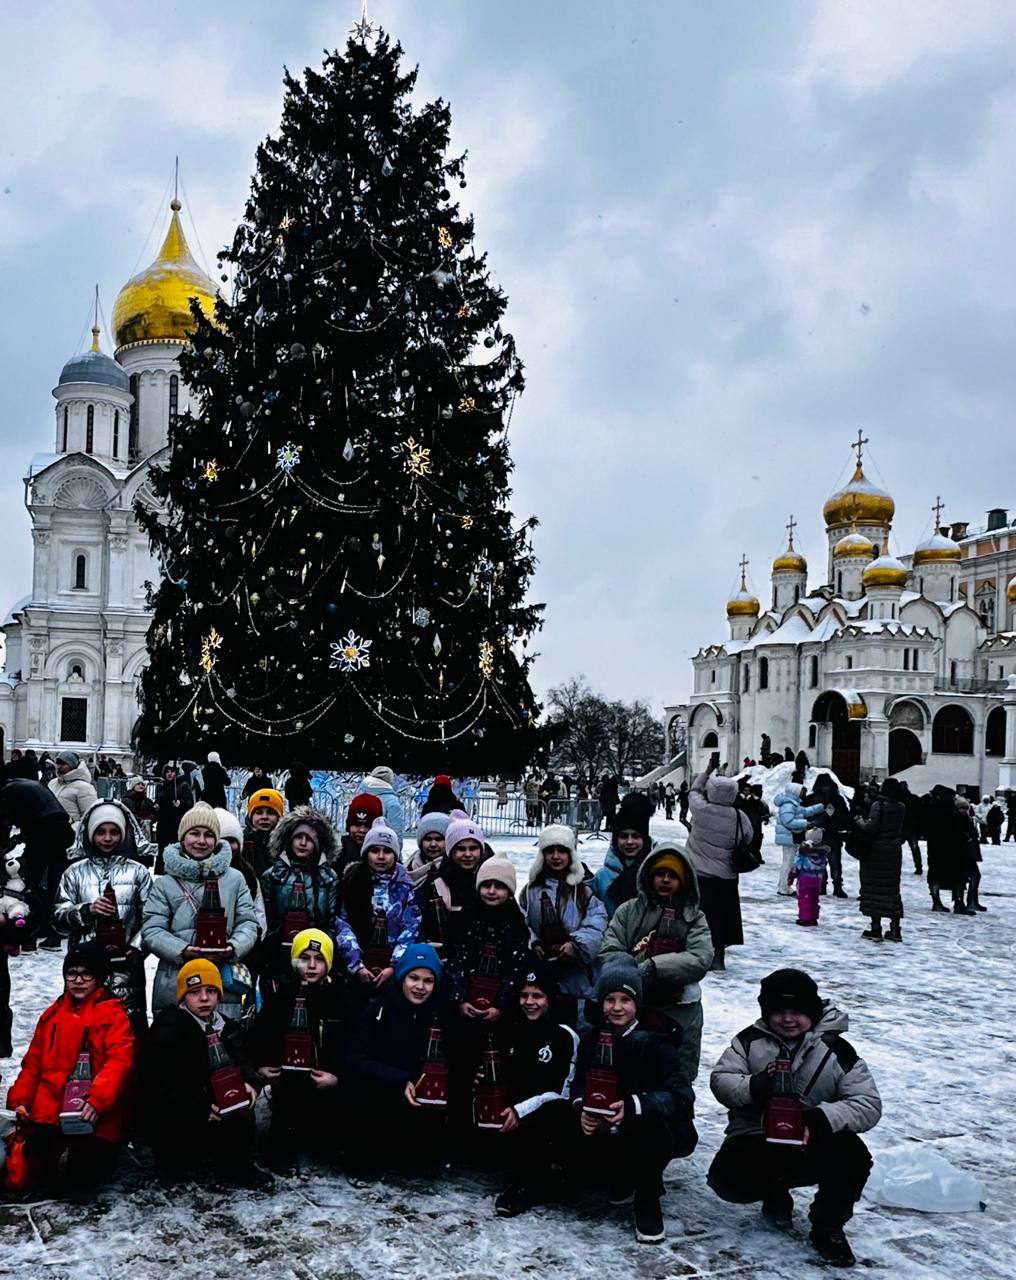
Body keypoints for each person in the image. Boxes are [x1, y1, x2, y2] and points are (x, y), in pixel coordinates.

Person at [707, 968, 881, 1268]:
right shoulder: (748, 1041)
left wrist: (819, 1120)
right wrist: (757, 1084)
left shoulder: (836, 1050)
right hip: (758, 1133)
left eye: (797, 1011)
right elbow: (722, 1080)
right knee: (727, 1180)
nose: (788, 1019)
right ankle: (774, 1192)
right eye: (779, 1011)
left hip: (815, 1138)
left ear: (812, 1011)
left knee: (853, 1156)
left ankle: (828, 1226)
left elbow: (867, 1103)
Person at [573, 958, 698, 1244]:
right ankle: (620, 1178)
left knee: (649, 1128)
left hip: (648, 1124)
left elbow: (681, 1095)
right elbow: (579, 1080)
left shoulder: (657, 1040)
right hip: (605, 1121)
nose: (617, 1007)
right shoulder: (593, 1038)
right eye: (610, 1000)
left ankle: (647, 1196)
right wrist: (581, 1106)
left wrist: (634, 1105)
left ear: (637, 1003)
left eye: (625, 1000)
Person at [7, 940, 134, 1198]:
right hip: (50, 1110)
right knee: (33, 1174)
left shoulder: (113, 1015)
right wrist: (20, 1100)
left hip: (93, 1112)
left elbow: (119, 1062)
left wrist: (97, 1100)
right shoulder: (52, 1015)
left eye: (86, 974)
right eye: (72, 973)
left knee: (80, 1182)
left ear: (99, 978)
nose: (78, 980)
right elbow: (32, 1064)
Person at [136, 957, 269, 1189]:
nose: (204, 998)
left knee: (241, 1109)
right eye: (195, 992)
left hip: (218, 1109)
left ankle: (239, 1166)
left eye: (211, 991)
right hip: (181, 1113)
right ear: (183, 997)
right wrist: (199, 1107)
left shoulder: (227, 1027)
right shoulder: (167, 1030)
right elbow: (157, 1084)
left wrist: (250, 1084)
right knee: (177, 1154)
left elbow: (245, 1061)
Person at [599, 843, 712, 1079]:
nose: (666, 880)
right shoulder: (628, 911)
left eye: (673, 875)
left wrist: (655, 966)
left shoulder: (694, 917)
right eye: (660, 873)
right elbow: (610, 951)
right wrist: (633, 973)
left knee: (676, 1076)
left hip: (679, 1009)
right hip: (633, 1004)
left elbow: (700, 958)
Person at [141, 803, 259, 1021]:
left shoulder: (235, 879)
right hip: (175, 979)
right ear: (182, 837)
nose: (201, 841)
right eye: (194, 833)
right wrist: (183, 949)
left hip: (222, 979)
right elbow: (152, 929)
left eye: (209, 835)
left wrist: (233, 947)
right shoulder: (165, 884)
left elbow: (249, 923)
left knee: (223, 1035)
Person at [343, 942, 447, 1182]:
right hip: (382, 1093)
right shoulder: (379, 1009)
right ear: (402, 977)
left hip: (421, 1099)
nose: (420, 987)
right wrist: (399, 1080)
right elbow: (356, 1058)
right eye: (414, 978)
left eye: (428, 980)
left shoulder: (440, 1014)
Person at [248, 929, 344, 1174]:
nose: (311, 965)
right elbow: (261, 1035)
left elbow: (350, 1043)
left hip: (326, 1078)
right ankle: (281, 1151)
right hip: (288, 1078)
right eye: (304, 958)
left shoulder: (340, 996)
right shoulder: (281, 996)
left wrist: (337, 1075)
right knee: (286, 1111)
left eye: (319, 959)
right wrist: (261, 1066)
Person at [53, 800, 153, 1035]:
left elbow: (151, 919)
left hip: (126, 972)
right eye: (101, 832)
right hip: (83, 973)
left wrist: (135, 950)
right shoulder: (74, 873)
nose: (107, 838)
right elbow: (58, 919)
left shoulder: (138, 872)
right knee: (83, 1036)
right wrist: (86, 911)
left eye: (114, 832)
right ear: (90, 834)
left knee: (126, 1035)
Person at [489, 959, 579, 1217]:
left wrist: (520, 1110)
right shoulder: (512, 1028)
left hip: (543, 1114)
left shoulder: (563, 1036)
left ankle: (530, 1185)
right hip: (512, 1111)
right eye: (524, 995)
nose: (530, 1002)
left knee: (553, 1114)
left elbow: (560, 1093)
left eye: (537, 996)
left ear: (550, 998)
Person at [445, 856, 530, 1128]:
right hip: (466, 1010)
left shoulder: (516, 923)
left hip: (500, 1014)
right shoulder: (466, 917)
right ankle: (459, 1124)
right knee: (462, 1070)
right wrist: (459, 999)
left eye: (500, 886)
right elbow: (456, 961)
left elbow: (516, 969)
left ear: (510, 890)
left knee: (496, 1071)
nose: (492, 891)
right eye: (487, 885)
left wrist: (502, 1005)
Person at [519, 824, 606, 1007]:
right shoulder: (530, 891)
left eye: (562, 851)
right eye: (550, 851)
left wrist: (576, 945)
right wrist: (533, 943)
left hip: (577, 977)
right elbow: (521, 923)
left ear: (571, 854)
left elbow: (596, 924)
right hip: (542, 972)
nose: (556, 856)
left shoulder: (584, 891)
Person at [335, 817, 420, 993]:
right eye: (375, 850)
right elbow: (342, 924)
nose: (381, 857)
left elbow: (411, 928)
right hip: (357, 967)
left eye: (387, 851)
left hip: (393, 970)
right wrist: (356, 964)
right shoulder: (352, 882)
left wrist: (395, 965)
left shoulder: (405, 886)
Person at [686, 757, 754, 971]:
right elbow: (748, 837)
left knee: (697, 914)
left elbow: (694, 791)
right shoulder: (739, 817)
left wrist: (707, 771)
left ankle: (696, 951)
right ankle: (718, 955)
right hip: (726, 876)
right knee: (721, 917)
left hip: (698, 873)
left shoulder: (700, 809)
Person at [260, 807, 340, 989]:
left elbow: (332, 921)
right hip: (279, 956)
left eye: (309, 839)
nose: (303, 843)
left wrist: (322, 952)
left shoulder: (328, 878)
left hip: (316, 956)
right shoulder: (273, 876)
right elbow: (265, 920)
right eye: (298, 837)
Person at [0, 775, 75, 951]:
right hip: (60, 831)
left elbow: (6, 823)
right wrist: (20, 838)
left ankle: (29, 934)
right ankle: (51, 930)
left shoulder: (6, 793)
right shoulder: (23, 784)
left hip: (44, 833)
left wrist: (7, 844)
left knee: (31, 883)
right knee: (55, 883)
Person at [415, 810, 489, 949]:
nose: (468, 854)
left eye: (473, 848)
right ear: (450, 851)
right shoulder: (436, 883)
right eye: (461, 849)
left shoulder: (492, 879)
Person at [851, 778, 906, 941]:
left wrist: (860, 821)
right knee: (891, 889)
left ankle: (876, 927)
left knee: (874, 889)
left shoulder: (878, 805)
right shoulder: (901, 807)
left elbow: (872, 828)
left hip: (876, 852)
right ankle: (895, 928)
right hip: (893, 852)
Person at [592, 791, 653, 920]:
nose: (629, 842)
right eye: (624, 836)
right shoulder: (602, 877)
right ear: (615, 840)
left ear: (645, 839)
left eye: (636, 836)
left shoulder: (655, 873)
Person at [924, 785, 974, 915]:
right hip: (953, 848)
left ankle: (936, 902)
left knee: (935, 875)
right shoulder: (951, 811)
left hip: (935, 847)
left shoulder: (930, 808)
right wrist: (966, 838)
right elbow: (958, 829)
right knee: (958, 876)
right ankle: (958, 903)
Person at [774, 782, 826, 897]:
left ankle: (783, 885)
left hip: (791, 837)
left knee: (789, 862)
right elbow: (788, 821)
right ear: (795, 792)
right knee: (788, 863)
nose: (803, 794)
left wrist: (819, 807)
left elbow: (805, 811)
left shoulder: (793, 804)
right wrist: (805, 823)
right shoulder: (788, 805)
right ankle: (784, 887)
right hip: (789, 837)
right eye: (801, 792)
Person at [806, 773, 849, 897]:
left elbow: (805, 813)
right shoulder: (837, 799)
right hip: (833, 835)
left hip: (816, 834)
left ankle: (821, 886)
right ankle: (837, 887)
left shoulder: (811, 798)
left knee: (819, 862)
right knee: (835, 863)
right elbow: (845, 816)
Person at [788, 829, 828, 928]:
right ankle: (813, 917)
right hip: (817, 880)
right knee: (814, 899)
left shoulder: (803, 853)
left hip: (804, 880)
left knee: (805, 899)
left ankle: (805, 918)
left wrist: (791, 877)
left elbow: (796, 866)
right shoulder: (822, 854)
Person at [337, 792, 385, 874]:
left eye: (368, 825)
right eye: (357, 824)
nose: (362, 830)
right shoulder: (337, 853)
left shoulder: (386, 854)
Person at [48, 750, 99, 826]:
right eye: (58, 763)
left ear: (72, 766)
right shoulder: (52, 783)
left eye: (63, 764)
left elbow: (90, 816)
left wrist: (74, 828)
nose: (59, 767)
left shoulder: (85, 788)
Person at [243, 786, 286, 876]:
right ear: (251, 816)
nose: (264, 817)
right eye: (259, 812)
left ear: (279, 817)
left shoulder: (286, 842)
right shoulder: (242, 841)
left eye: (271, 813)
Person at [153, 762, 195, 855]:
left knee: (175, 850)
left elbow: (190, 803)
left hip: (176, 823)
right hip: (163, 824)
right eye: (167, 772)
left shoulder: (183, 785)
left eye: (172, 771)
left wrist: (180, 803)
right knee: (162, 851)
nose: (169, 774)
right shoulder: (161, 787)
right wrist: (156, 806)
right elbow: (158, 800)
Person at [955, 794, 986, 913]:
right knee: (972, 876)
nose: (965, 811)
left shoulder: (965, 819)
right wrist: (968, 838)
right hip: (964, 853)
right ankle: (970, 902)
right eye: (963, 808)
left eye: (966, 808)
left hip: (968, 853)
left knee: (973, 876)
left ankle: (971, 901)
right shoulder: (960, 819)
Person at [404, 811, 450, 888]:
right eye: (428, 839)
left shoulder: (455, 869)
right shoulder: (408, 868)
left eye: (438, 839)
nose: (433, 844)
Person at [361, 764, 404, 845]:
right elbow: (396, 831)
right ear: (390, 780)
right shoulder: (392, 801)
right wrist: (398, 847)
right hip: (382, 846)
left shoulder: (361, 795)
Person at [899, 780, 923, 875]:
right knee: (914, 847)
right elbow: (919, 813)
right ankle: (918, 866)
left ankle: (895, 865)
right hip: (911, 827)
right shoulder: (913, 798)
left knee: (896, 847)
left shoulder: (897, 799)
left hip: (902, 826)